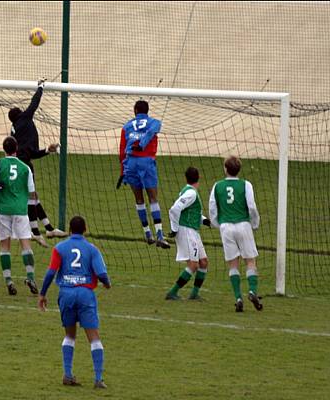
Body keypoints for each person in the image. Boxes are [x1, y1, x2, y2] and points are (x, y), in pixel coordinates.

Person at [38, 215, 111, 389]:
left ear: (69, 230)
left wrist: (42, 294)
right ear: (85, 229)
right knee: (94, 337)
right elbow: (101, 273)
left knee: (70, 335)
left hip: (66, 294)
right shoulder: (92, 249)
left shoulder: (59, 247)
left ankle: (68, 374)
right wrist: (107, 283)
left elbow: (50, 273)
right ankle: (98, 378)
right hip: (85, 294)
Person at [8, 78, 67, 247]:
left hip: (24, 162)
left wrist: (47, 151)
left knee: (33, 197)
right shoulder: (24, 119)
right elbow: (34, 104)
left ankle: (48, 228)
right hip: (24, 165)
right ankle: (35, 232)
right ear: (20, 114)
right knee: (31, 198)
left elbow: (32, 152)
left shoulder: (15, 129)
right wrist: (40, 87)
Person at [0, 136, 39, 295]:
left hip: (2, 210)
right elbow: (32, 193)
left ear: (4, 149)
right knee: (25, 244)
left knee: (4, 245)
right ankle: (30, 277)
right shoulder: (25, 168)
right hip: (20, 211)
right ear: (17, 148)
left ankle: (8, 280)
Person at [209, 156, 263, 312]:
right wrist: (255, 223)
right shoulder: (246, 185)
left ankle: (238, 298)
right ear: (239, 169)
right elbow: (251, 206)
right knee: (250, 261)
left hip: (226, 227)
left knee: (233, 264)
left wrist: (217, 224)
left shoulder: (217, 186)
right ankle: (252, 291)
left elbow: (212, 207)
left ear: (225, 169)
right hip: (243, 225)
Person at [119, 100, 170, 248]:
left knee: (139, 199)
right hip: (145, 162)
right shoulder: (154, 122)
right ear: (147, 111)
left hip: (130, 163)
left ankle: (147, 233)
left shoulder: (126, 126)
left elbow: (121, 151)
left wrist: (123, 172)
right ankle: (159, 235)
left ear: (135, 111)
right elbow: (150, 132)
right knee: (153, 198)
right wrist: (141, 145)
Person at [165, 167, 211, 300]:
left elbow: (189, 212)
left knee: (203, 262)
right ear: (199, 177)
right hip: (186, 231)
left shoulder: (189, 191)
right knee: (193, 264)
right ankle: (172, 292)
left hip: (193, 230)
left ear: (186, 178)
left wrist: (204, 220)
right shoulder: (191, 193)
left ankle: (194, 294)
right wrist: (174, 229)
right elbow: (174, 209)